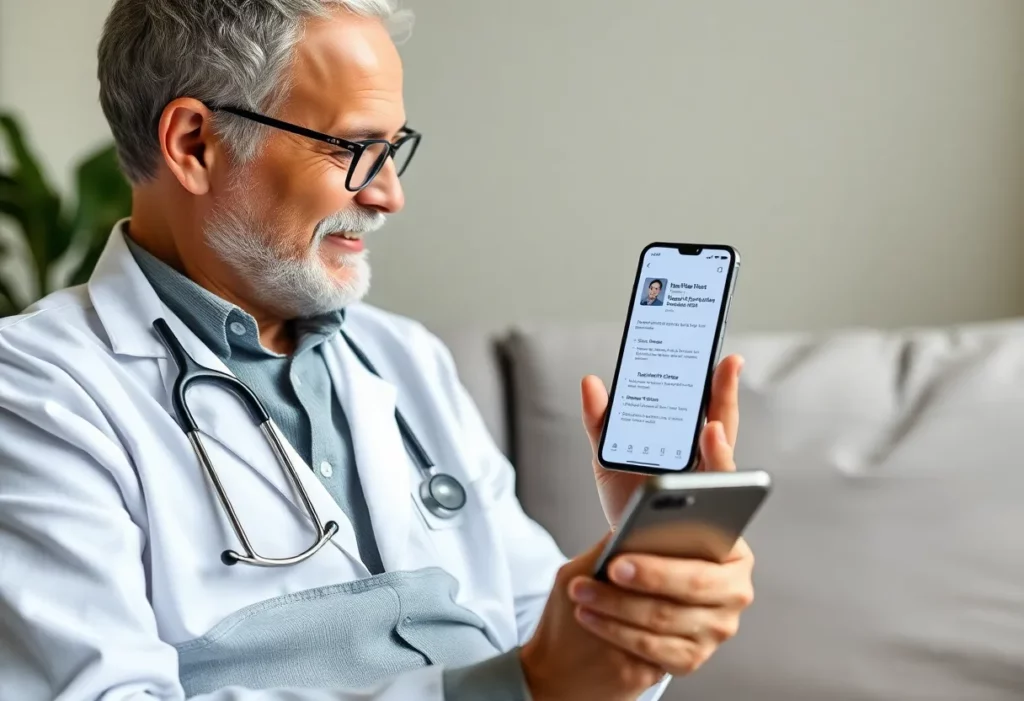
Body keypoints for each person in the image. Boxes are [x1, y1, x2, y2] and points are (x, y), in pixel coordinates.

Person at [0, 2, 753, 700]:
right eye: (356, 149)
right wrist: (526, 680)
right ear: (195, 144)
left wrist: (630, 596)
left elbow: (538, 634)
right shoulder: (37, 391)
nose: (390, 194)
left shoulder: (404, 358)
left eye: (394, 150)